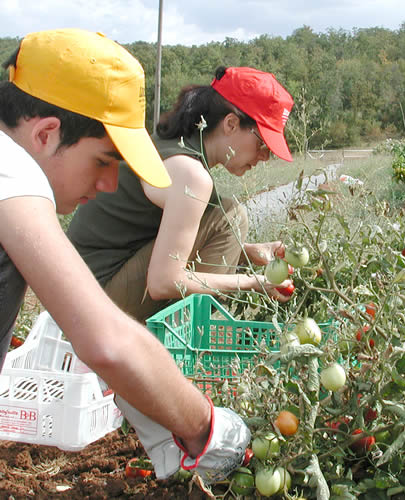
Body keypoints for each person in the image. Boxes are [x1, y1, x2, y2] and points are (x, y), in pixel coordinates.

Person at [0, 28, 249, 483]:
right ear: (46, 134)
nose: (109, 185)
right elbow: (106, 341)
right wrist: (205, 427)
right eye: (102, 161)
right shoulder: (11, 174)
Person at [67, 66, 295, 323]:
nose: (265, 156)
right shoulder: (190, 174)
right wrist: (252, 282)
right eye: (262, 142)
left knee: (225, 217)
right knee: (230, 217)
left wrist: (245, 252)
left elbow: (170, 242)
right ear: (231, 123)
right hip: (94, 298)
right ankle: (182, 346)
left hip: (80, 289)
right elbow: (163, 281)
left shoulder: (176, 146)